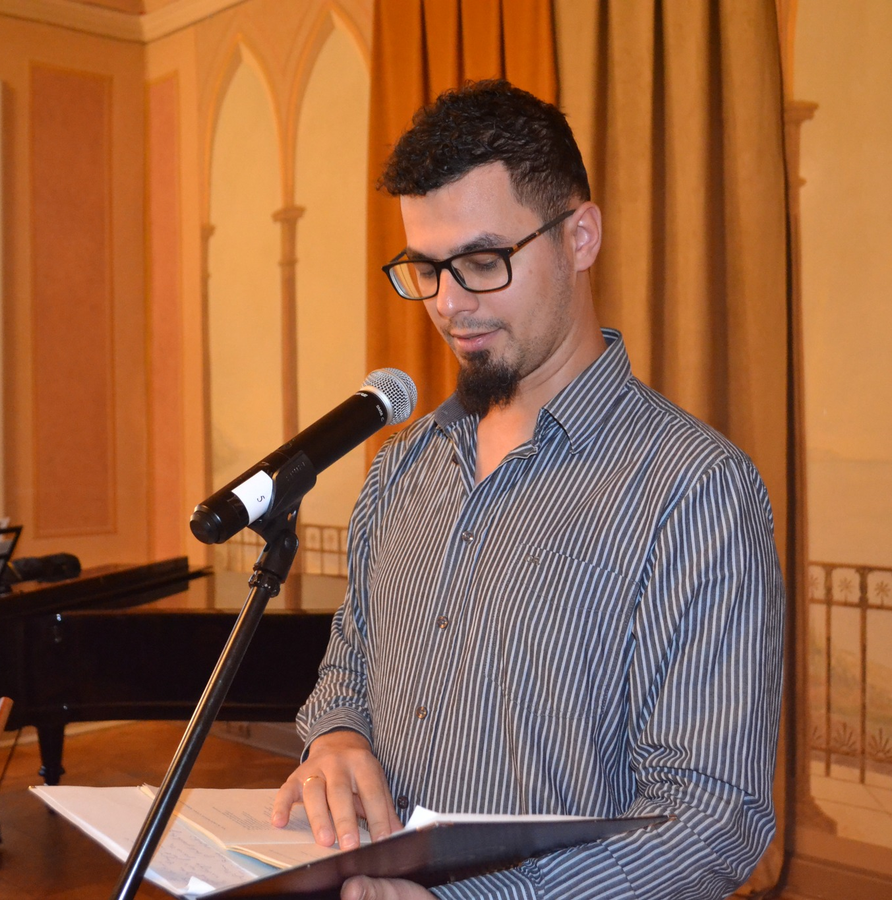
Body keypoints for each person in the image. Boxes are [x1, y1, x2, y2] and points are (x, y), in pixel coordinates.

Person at [270, 80, 786, 900]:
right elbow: (349, 667)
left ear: (580, 236)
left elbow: (711, 820)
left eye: (483, 262)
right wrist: (335, 736)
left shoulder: (694, 490)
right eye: (425, 269)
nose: (449, 303)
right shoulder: (401, 468)